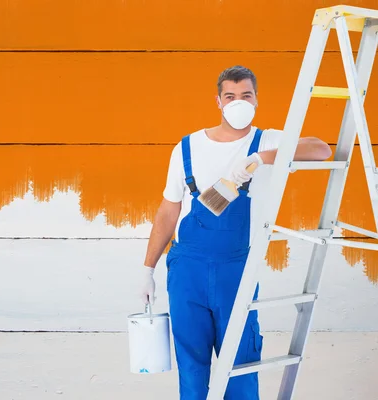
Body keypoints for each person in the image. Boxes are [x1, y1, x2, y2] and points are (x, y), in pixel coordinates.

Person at [139, 65, 332, 399]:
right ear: (218, 101)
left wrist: (263, 157)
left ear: (256, 100)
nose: (238, 102)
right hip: (187, 270)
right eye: (230, 96)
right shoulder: (187, 147)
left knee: (241, 363)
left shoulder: (268, 139)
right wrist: (147, 269)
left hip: (237, 270)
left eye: (246, 96)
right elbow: (168, 210)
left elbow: (321, 149)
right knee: (192, 366)